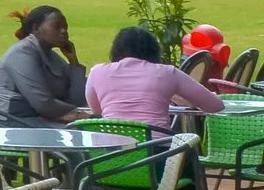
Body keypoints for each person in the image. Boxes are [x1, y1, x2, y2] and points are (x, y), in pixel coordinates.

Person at [87, 26, 223, 126]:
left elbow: (97, 109)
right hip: (157, 153)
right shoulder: (167, 73)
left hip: (109, 154)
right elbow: (215, 105)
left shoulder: (97, 72)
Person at [0, 5, 88, 128]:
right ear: (36, 28)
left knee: (87, 129)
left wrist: (74, 62)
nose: (63, 31)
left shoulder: (52, 56)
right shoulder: (21, 54)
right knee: (83, 130)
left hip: (41, 119)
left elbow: (77, 99)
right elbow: (42, 103)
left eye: (65, 27)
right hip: (13, 122)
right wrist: (77, 114)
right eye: (57, 27)